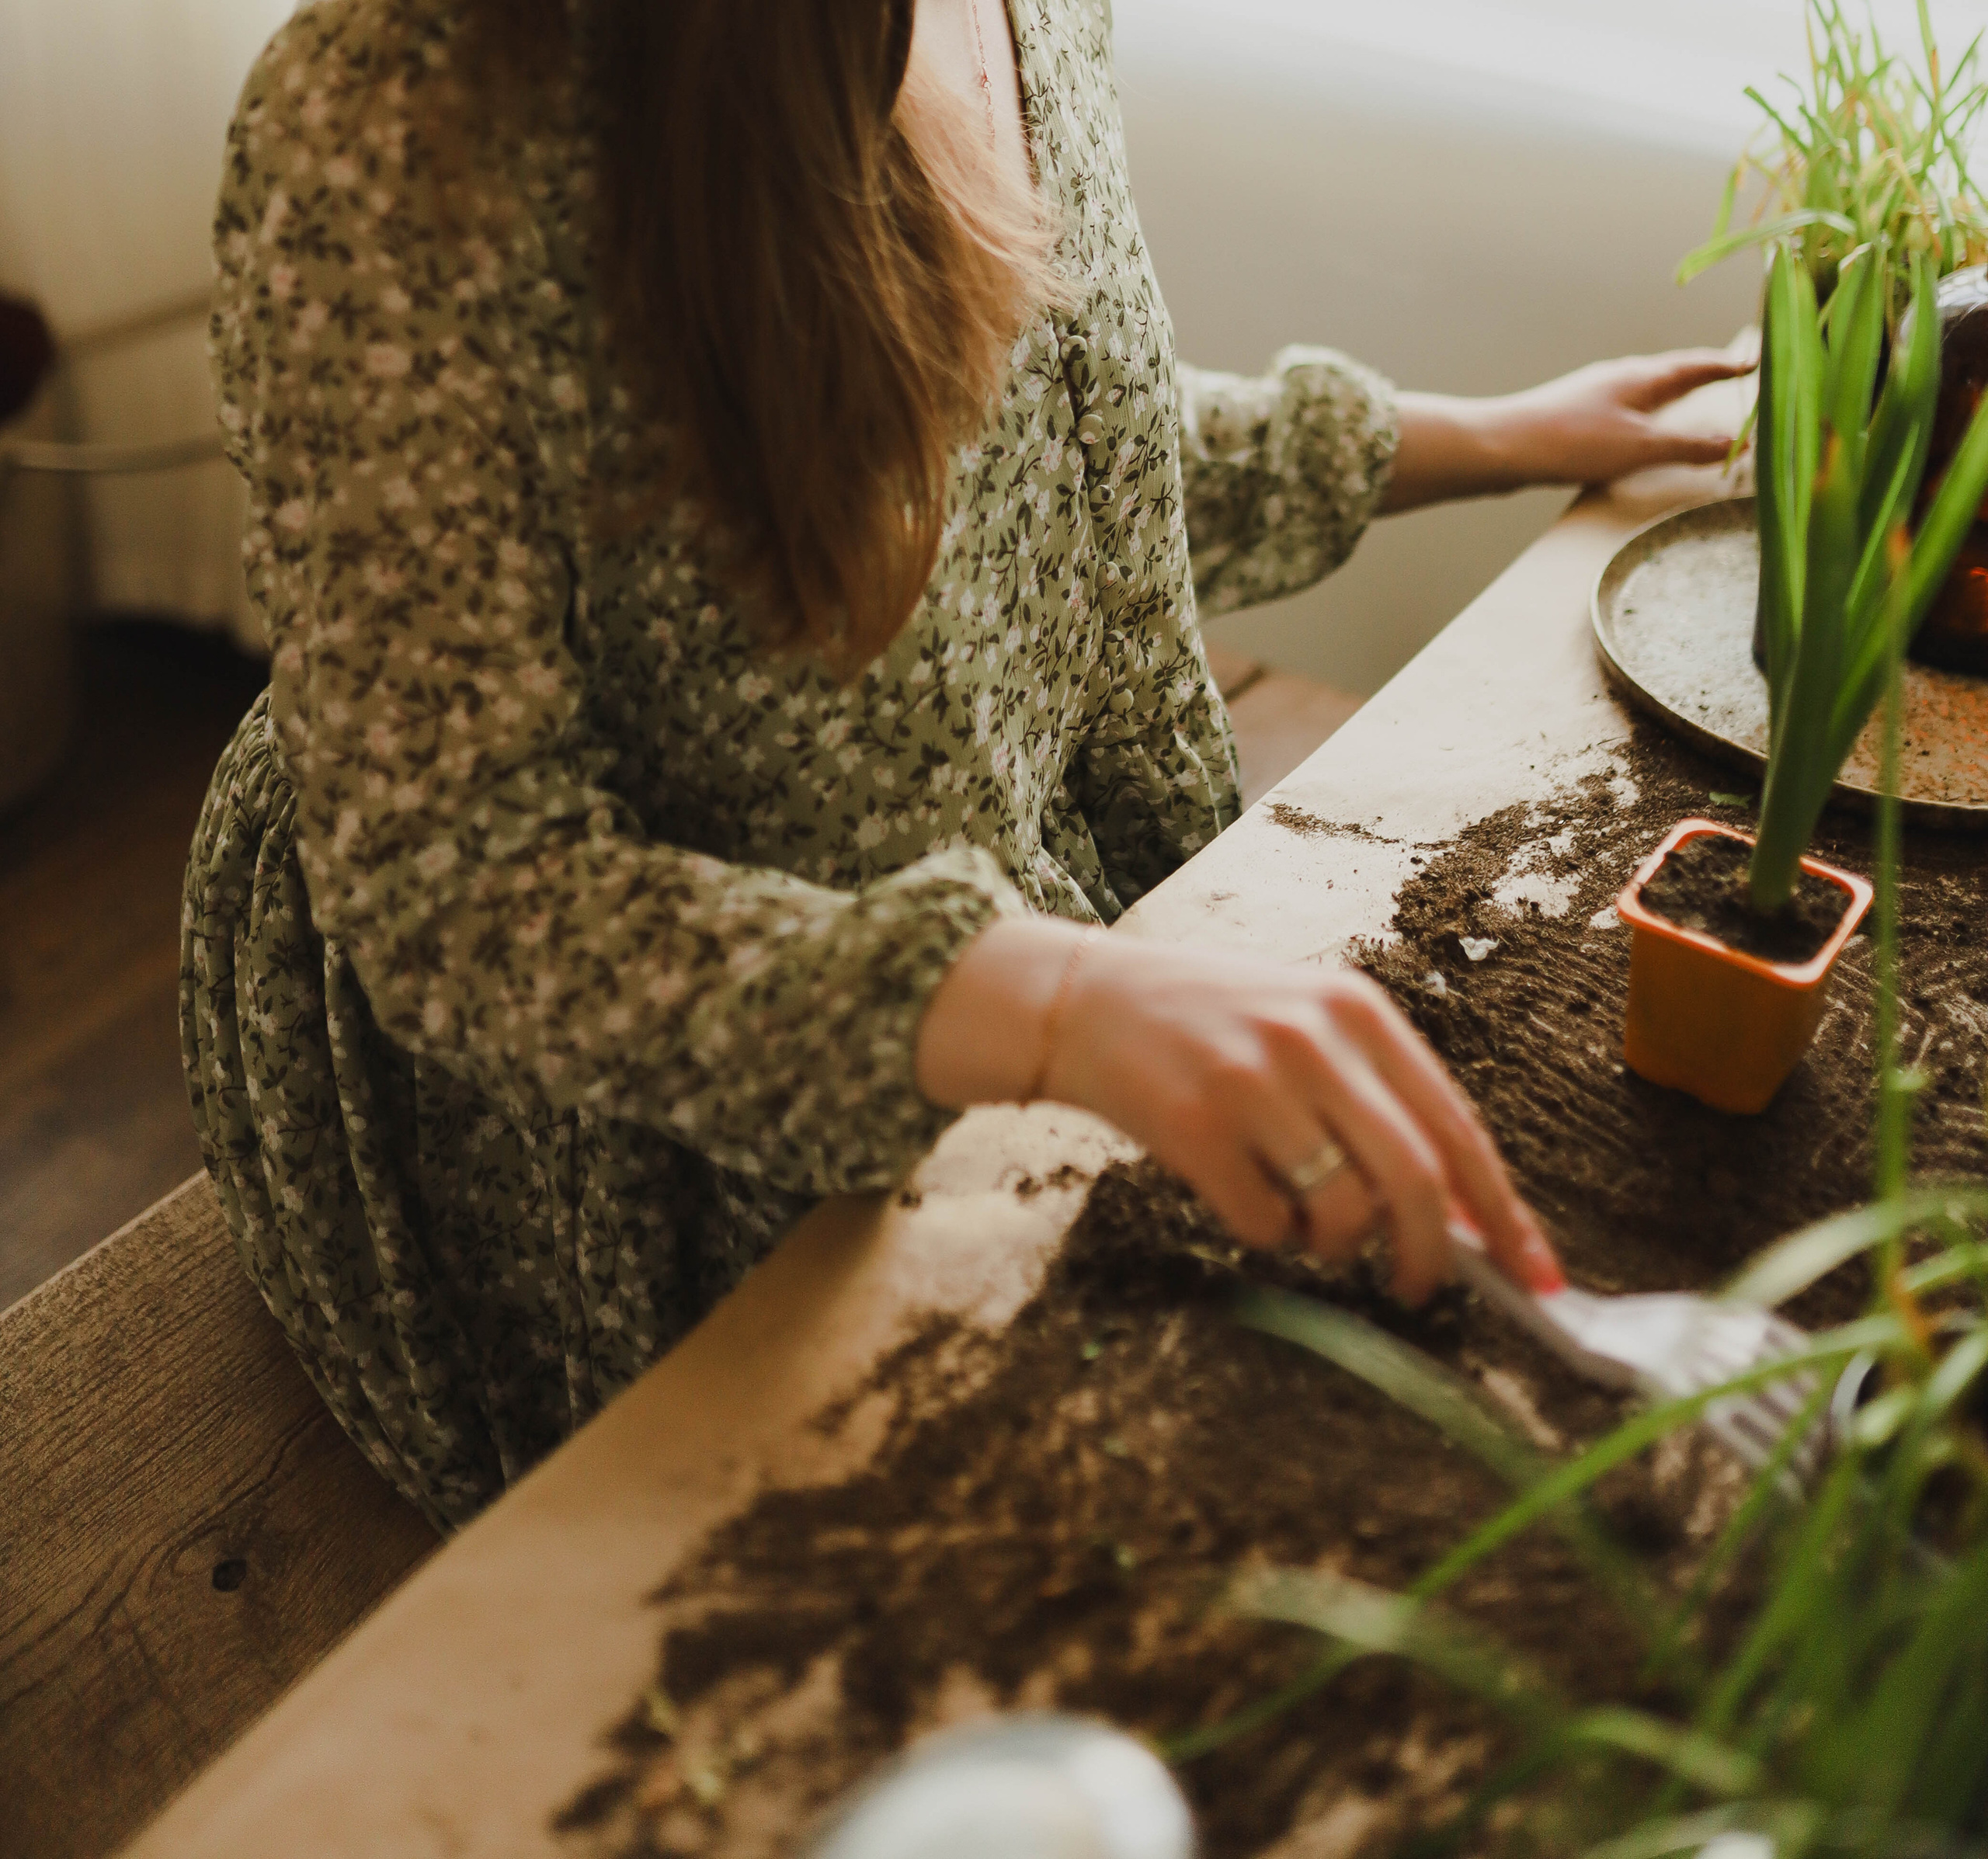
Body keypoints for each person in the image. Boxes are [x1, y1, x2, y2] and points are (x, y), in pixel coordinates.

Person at [182, 0, 1747, 1531]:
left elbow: (1037, 453)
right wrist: (1050, 1006)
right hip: (634, 1125)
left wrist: (1494, 437)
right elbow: (460, 893)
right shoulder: (395, 127)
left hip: (1026, 960)